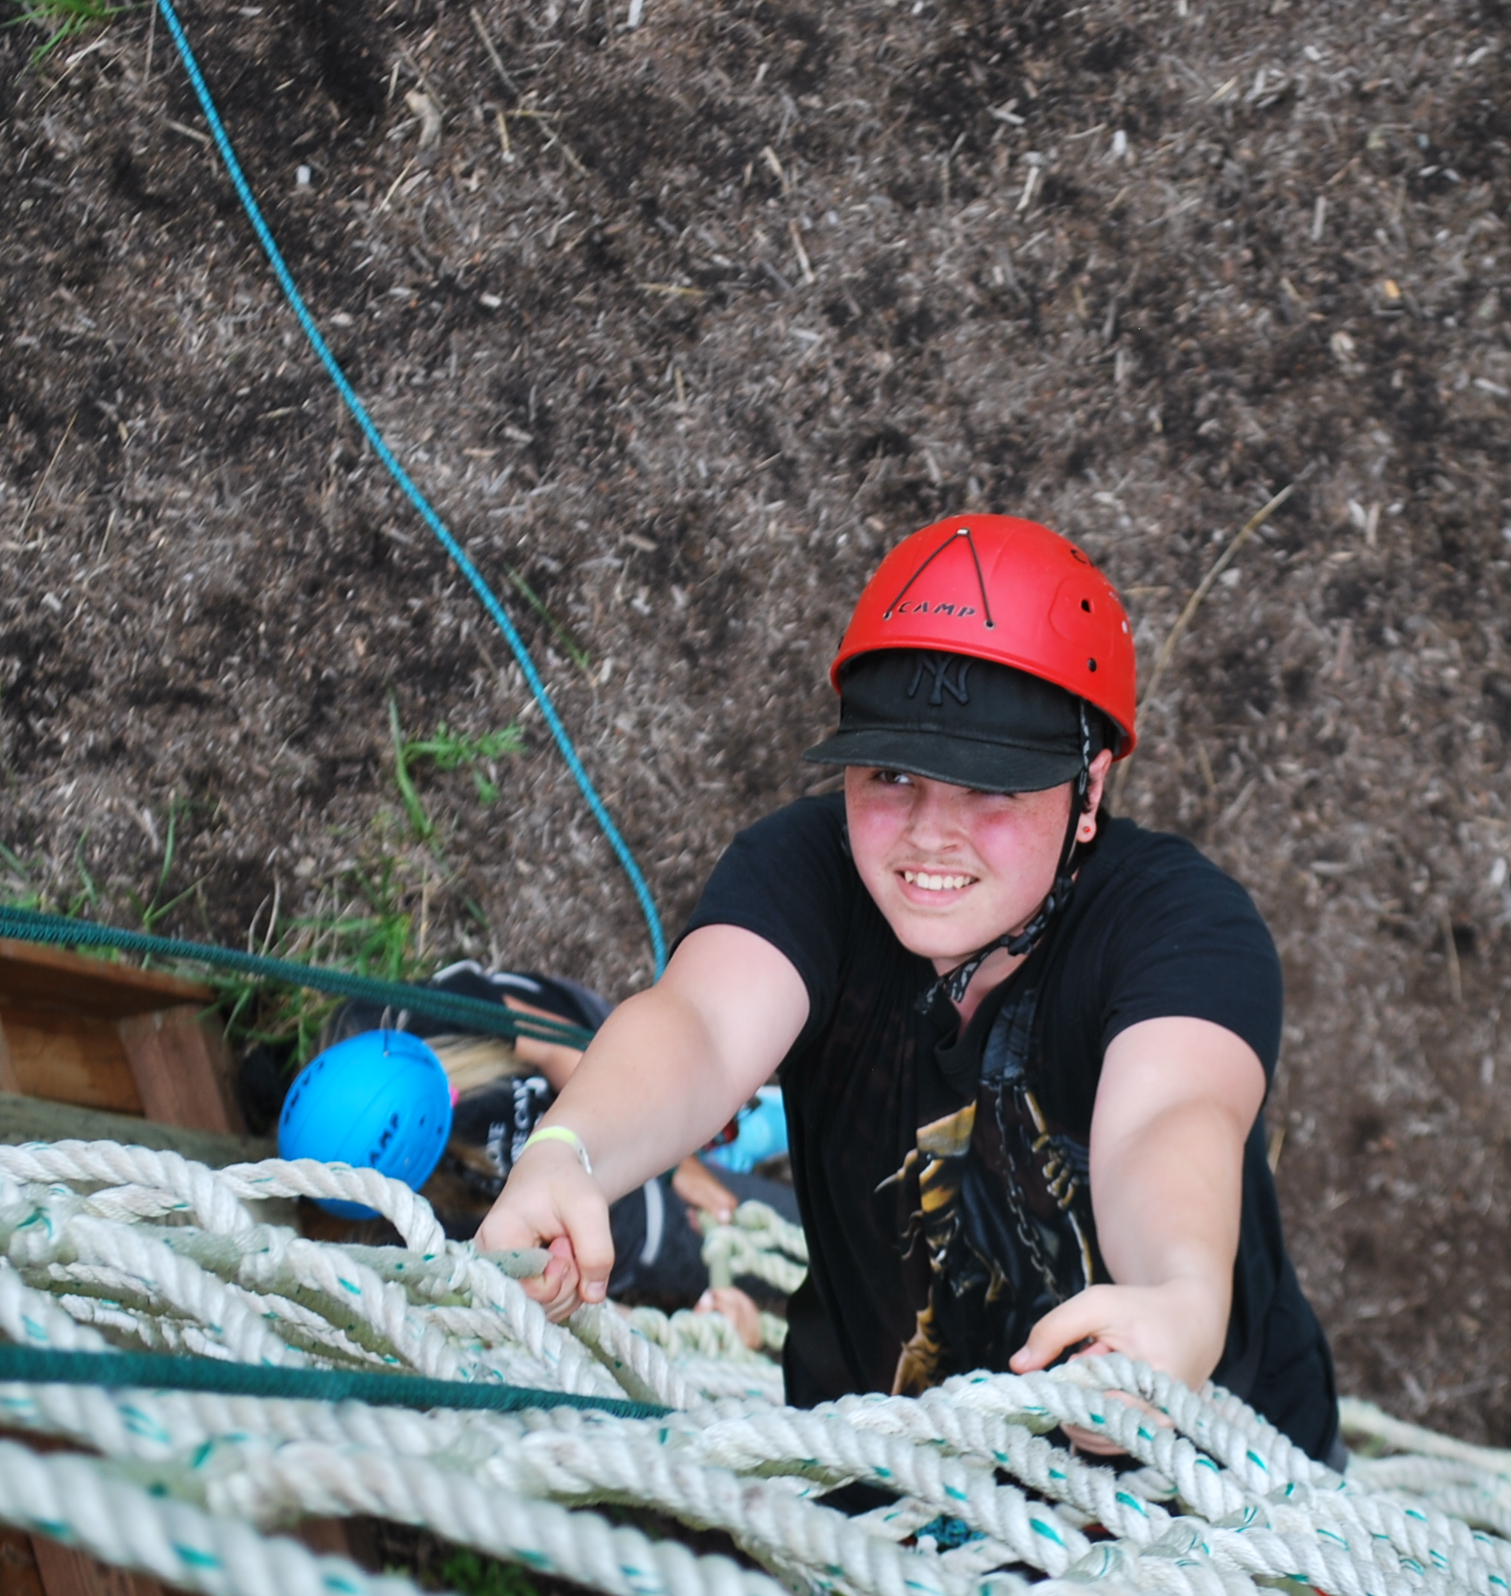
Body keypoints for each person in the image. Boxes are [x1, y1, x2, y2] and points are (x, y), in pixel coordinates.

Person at [475, 513, 1341, 1462]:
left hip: (1210, 1478)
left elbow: (1168, 1117)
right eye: (892, 774)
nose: (931, 833)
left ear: (1089, 791)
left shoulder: (1181, 927)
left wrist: (1178, 1296)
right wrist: (570, 1149)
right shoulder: (809, 871)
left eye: (992, 787)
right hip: (871, 1468)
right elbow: (702, 1025)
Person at [339, 964, 793, 1341]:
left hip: (589, 1081)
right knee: (770, 1231)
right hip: (618, 1225)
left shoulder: (406, 1026)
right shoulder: (410, 1242)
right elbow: (571, 1306)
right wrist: (693, 1331)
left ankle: (713, 1128)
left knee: (668, 1075)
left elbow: (556, 1047)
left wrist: (678, 1163)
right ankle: (706, 1141)